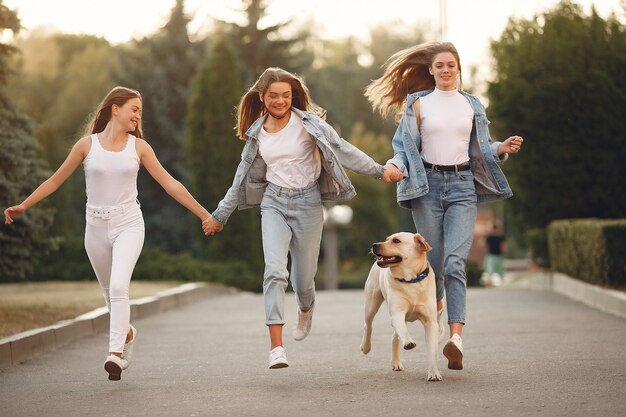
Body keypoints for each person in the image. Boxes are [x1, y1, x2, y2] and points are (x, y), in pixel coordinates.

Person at [4, 86, 212, 381]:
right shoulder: (86, 145)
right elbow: (54, 181)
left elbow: (170, 184)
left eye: (140, 111)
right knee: (109, 294)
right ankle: (126, 334)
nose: (138, 116)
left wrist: (205, 214)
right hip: (95, 228)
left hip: (128, 224)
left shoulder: (139, 148)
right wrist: (24, 205)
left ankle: (115, 354)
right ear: (116, 108)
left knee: (118, 288)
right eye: (134, 109)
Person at [202, 67, 401, 369]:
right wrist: (220, 215)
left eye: (286, 95)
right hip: (274, 203)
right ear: (263, 97)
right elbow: (239, 180)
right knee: (274, 271)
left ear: (293, 95)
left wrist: (378, 170)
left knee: (302, 279)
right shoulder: (257, 134)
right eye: (274, 96)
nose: (280, 101)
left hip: (308, 203)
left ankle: (305, 307)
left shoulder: (310, 124)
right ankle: (276, 349)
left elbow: (342, 150)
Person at [365, 42, 523, 371]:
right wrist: (394, 166)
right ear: (432, 70)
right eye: (440, 65)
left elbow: (479, 146)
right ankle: (431, 320)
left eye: (451, 65)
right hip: (427, 187)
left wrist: (500, 148)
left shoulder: (471, 105)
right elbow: (403, 147)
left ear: (458, 68)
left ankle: (455, 339)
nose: (446, 70)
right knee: (432, 261)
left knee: (454, 263)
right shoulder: (418, 105)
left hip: (463, 186)